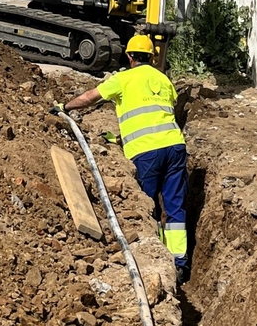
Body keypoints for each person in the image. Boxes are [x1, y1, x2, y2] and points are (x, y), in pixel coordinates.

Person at [49, 35, 190, 285]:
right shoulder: (163, 79)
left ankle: (157, 259)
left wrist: (65, 108)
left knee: (148, 206)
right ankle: (179, 262)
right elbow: (158, 112)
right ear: (152, 56)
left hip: (146, 151)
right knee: (175, 205)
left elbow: (91, 97)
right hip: (175, 147)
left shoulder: (123, 78)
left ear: (129, 56)